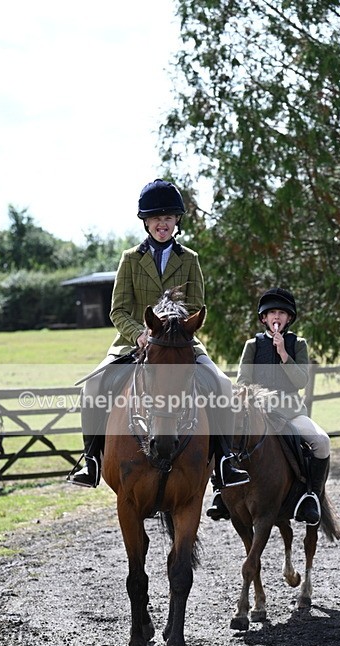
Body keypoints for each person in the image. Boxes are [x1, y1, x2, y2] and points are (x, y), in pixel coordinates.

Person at [70, 178, 249, 491]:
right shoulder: (130, 259)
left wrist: (174, 325)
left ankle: (224, 461)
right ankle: (91, 460)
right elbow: (118, 311)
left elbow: (197, 305)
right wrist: (140, 333)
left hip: (180, 341)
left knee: (221, 384)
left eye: (167, 219)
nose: (161, 224)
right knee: (94, 386)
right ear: (146, 222)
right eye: (156, 219)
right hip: (134, 341)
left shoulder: (190, 259)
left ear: (176, 221)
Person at [206, 287, 331, 525]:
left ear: (289, 318)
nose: (276, 317)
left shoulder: (298, 344)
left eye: (282, 314)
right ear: (264, 318)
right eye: (272, 313)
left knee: (322, 441)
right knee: (221, 435)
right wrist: (256, 403)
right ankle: (220, 494)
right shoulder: (252, 345)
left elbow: (301, 381)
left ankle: (311, 497)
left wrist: (284, 353)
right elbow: (243, 382)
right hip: (258, 413)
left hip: (291, 414)